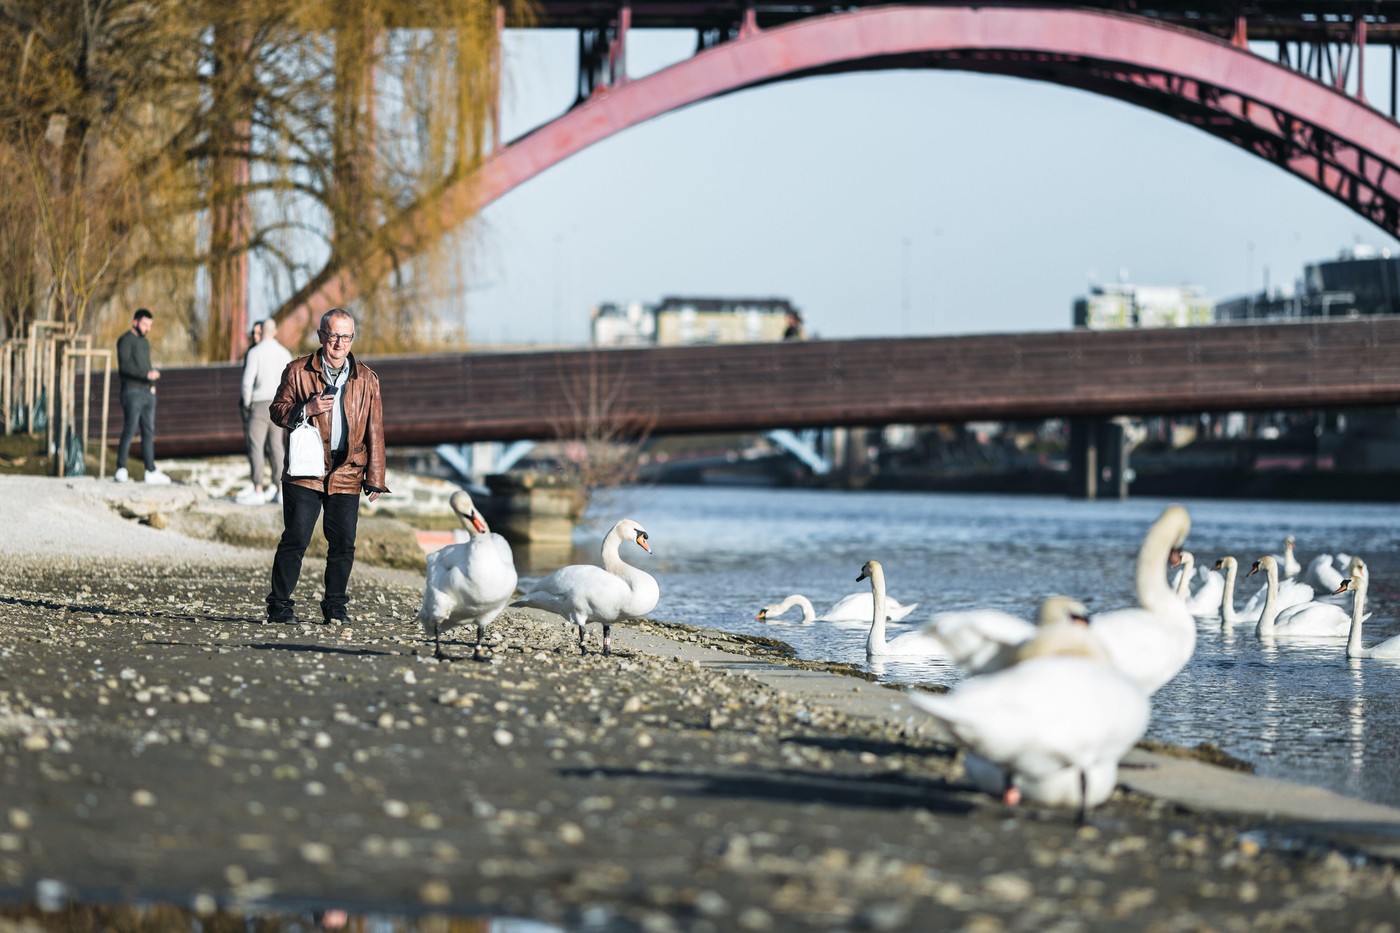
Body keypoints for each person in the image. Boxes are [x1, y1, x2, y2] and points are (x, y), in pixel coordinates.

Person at [265, 308, 388, 625]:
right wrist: (306, 408)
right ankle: (280, 605)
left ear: (352, 339)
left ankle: (335, 606)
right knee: (296, 538)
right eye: (333, 335)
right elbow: (277, 411)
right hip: (305, 472)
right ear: (321, 336)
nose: (338, 343)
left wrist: (375, 476)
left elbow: (375, 429)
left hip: (347, 471)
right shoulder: (297, 371)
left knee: (344, 543)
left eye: (345, 337)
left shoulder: (367, 378)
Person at [238, 318, 292, 504]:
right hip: (279, 404)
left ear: (263, 331)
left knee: (256, 447)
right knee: (277, 447)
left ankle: (258, 489)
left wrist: (247, 402)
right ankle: (281, 489)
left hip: (260, 403)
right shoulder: (285, 353)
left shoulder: (255, 352)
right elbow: (290, 382)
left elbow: (247, 382)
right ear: (275, 331)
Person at [114, 308, 171, 484]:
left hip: (147, 392)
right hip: (131, 391)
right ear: (136, 322)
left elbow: (147, 365)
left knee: (148, 431)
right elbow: (125, 368)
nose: (147, 328)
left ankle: (150, 470)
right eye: (145, 324)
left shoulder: (144, 342)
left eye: (150, 325)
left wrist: (152, 385)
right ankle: (121, 468)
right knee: (130, 428)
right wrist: (146, 376)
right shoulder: (125, 340)